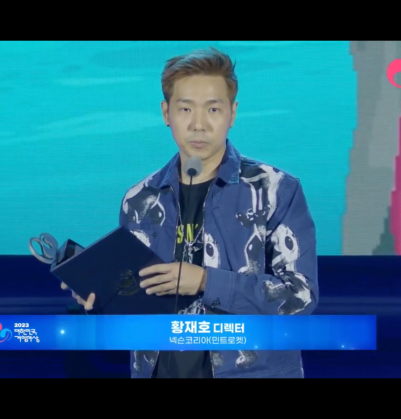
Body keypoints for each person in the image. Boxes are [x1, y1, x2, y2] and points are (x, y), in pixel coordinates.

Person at [61, 47, 318, 378]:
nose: (198, 124)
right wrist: (101, 300)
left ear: (232, 113)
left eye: (213, 109)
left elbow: (300, 296)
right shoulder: (140, 200)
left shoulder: (275, 190)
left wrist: (206, 281)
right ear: (166, 113)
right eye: (185, 109)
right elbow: (134, 311)